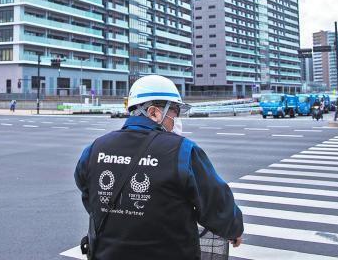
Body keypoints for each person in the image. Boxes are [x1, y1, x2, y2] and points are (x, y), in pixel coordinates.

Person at [74, 75, 243, 259]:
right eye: (174, 112)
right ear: (153, 112)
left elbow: (87, 192)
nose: (176, 120)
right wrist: (233, 229)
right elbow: (215, 202)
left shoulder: (96, 148)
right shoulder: (182, 151)